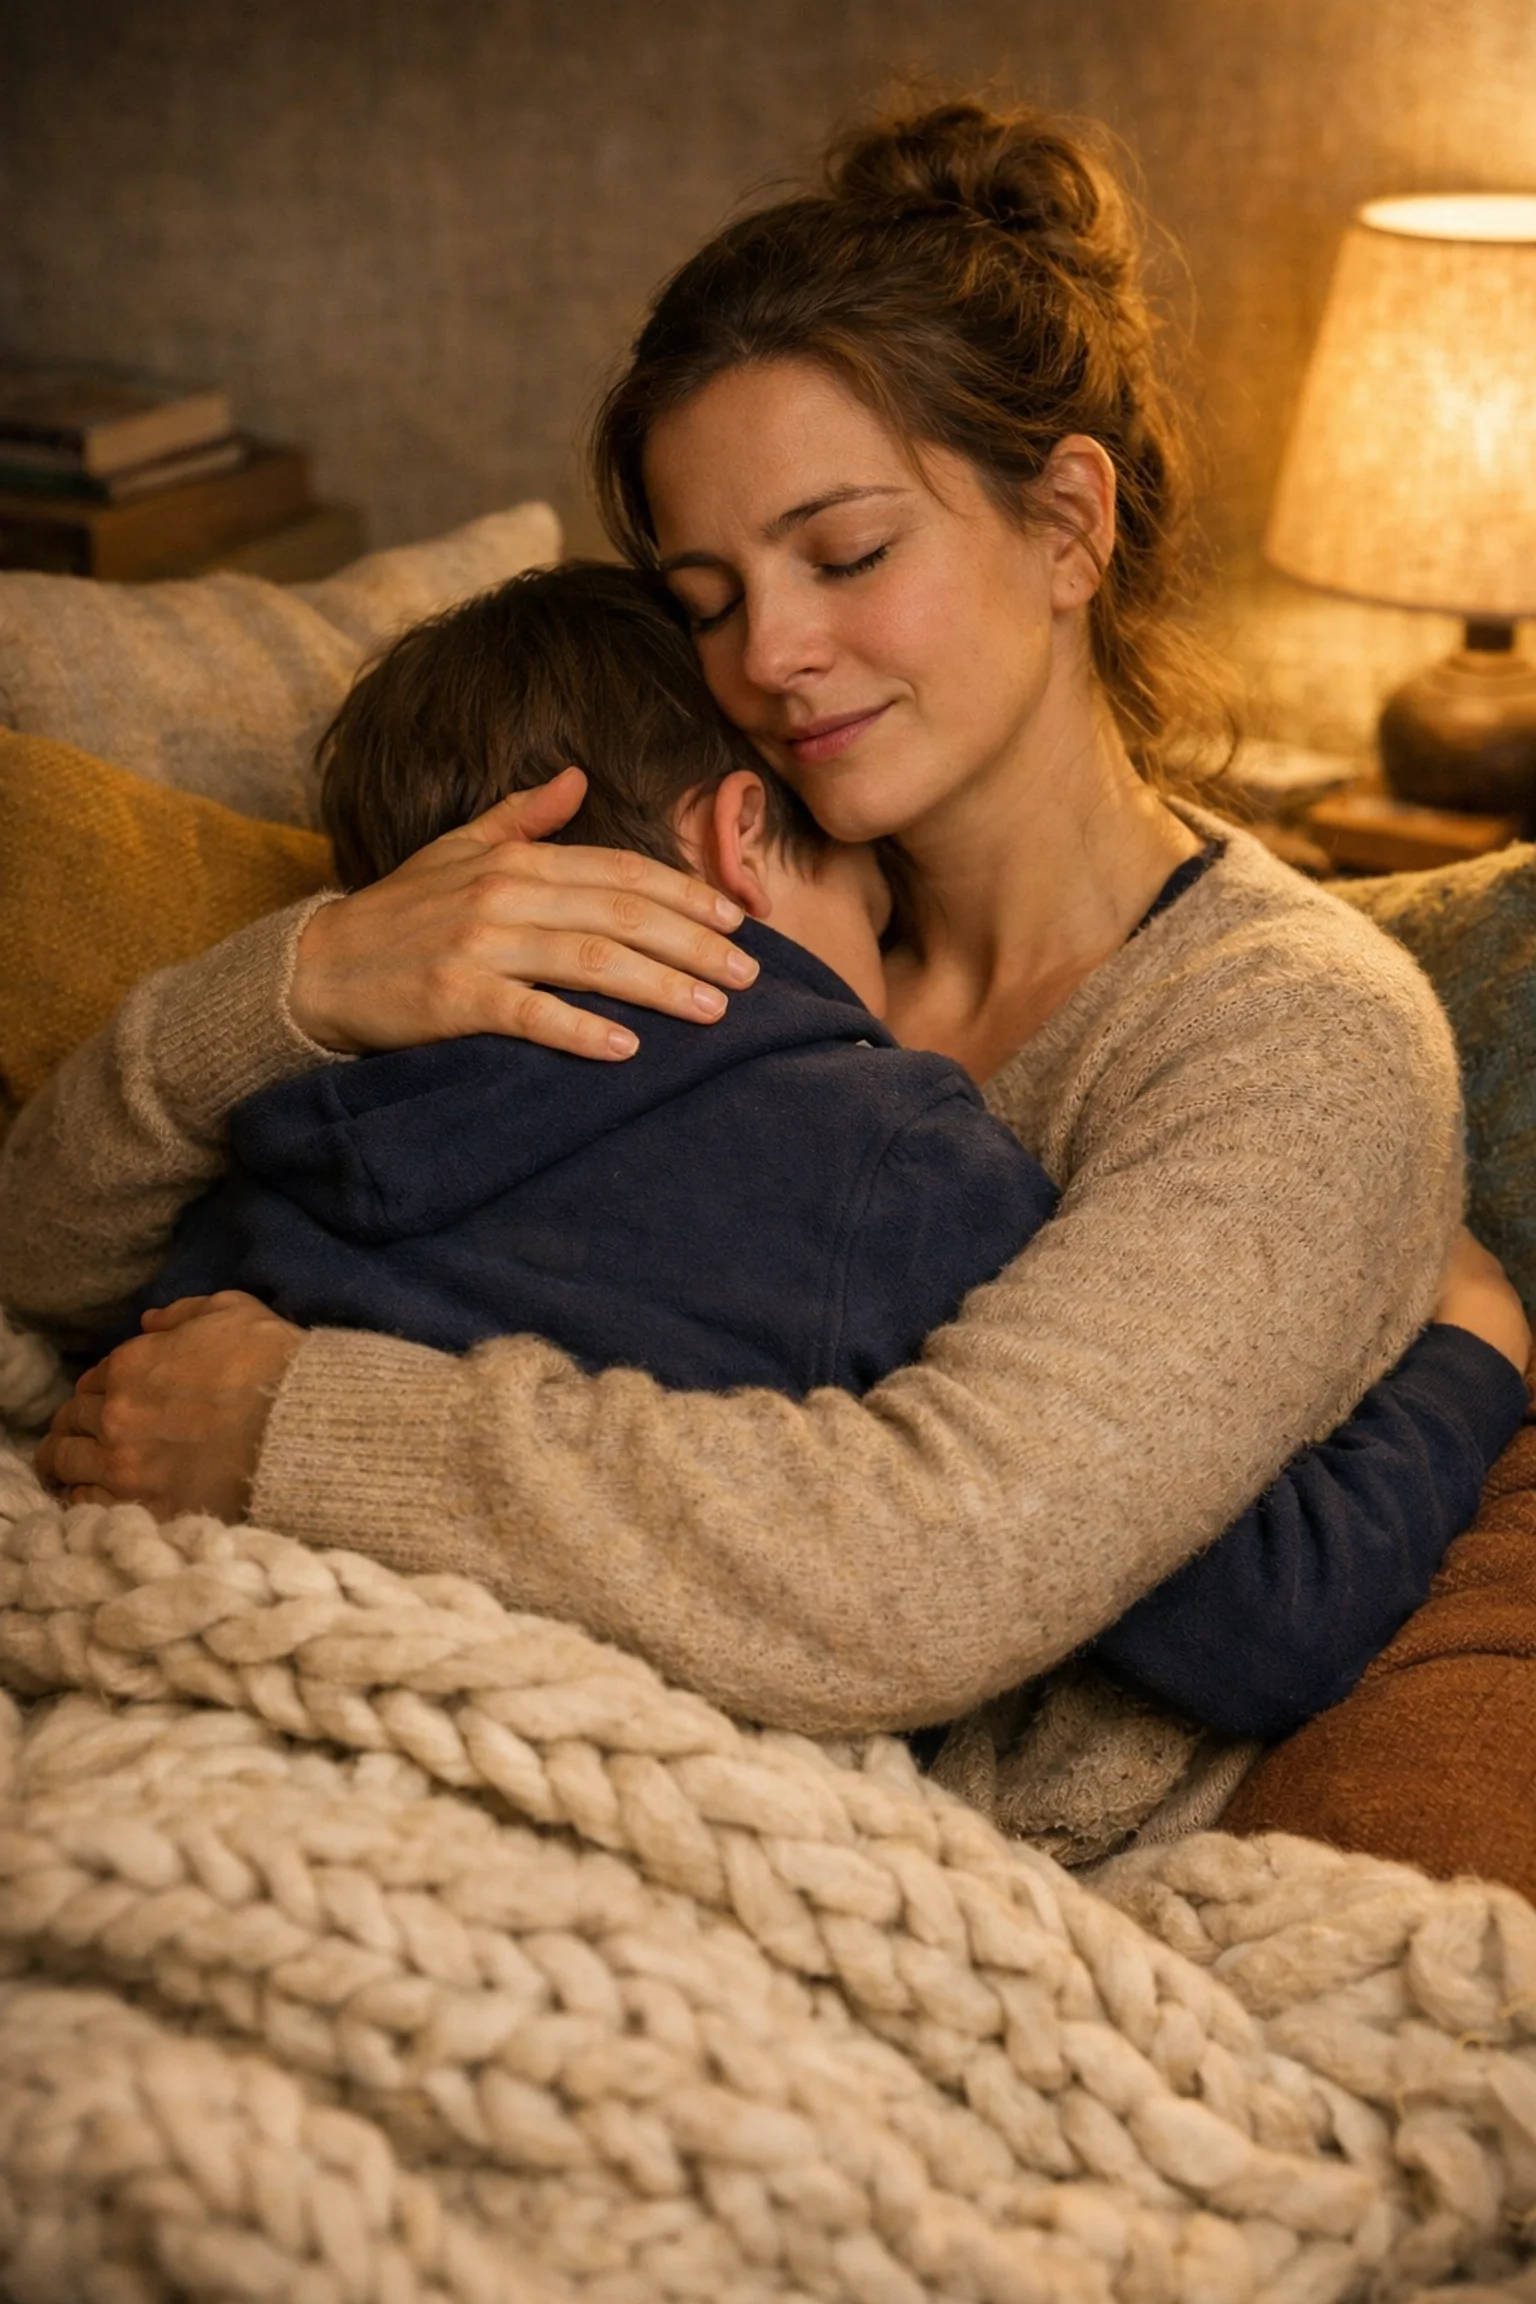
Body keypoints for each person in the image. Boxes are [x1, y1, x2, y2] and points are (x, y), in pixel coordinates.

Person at [8, 96, 1529, 1852]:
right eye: (710, 594)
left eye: (849, 551)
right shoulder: (660, 912)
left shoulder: (1287, 1031)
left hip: (902, 1871)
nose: (775, 656)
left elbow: (936, 1558)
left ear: (1065, 525)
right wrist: (293, 982)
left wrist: (301, 1426)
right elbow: (45, 1256)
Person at [127, 558, 1058, 1395]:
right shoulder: (901, 1159)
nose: (886, 994)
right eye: (872, 915)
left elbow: (142, 1379)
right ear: (738, 839)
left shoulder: (279, 1146)